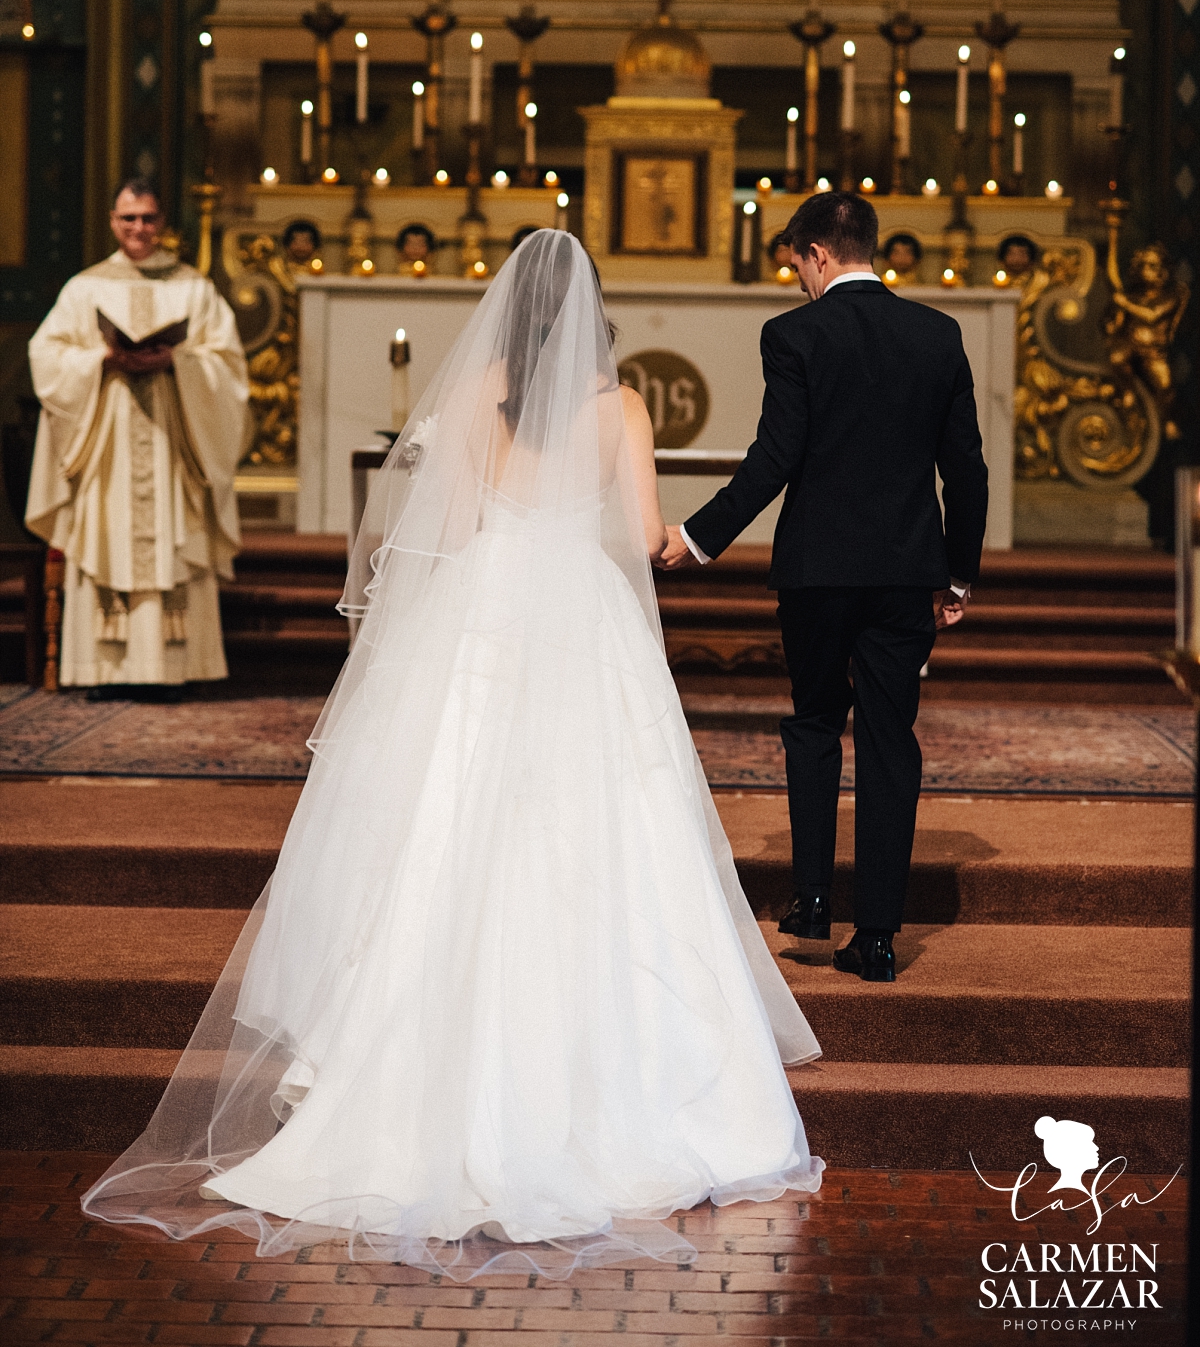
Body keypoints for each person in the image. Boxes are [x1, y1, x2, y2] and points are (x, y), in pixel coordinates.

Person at [82, 230, 823, 1275]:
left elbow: (458, 522)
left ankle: (400, 1088)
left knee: (450, 825)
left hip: (485, 610)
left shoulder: (478, 394)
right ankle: (625, 1098)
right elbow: (645, 530)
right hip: (582, 611)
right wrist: (641, 543)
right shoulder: (624, 405)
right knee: (606, 833)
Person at [659, 192, 988, 984]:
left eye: (795, 264)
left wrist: (696, 538)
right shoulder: (938, 335)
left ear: (816, 254)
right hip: (908, 571)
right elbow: (966, 469)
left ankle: (810, 900)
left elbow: (777, 458)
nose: (797, 280)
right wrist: (957, 573)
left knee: (813, 724)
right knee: (888, 739)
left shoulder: (793, 334)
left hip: (817, 573)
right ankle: (876, 936)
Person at [25, 179, 250, 691]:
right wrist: (102, 357)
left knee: (174, 538)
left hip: (173, 436)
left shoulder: (193, 288)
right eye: (129, 218)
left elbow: (228, 364)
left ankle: (176, 670)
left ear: (162, 223)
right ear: (112, 221)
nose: (139, 229)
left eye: (148, 218)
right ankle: (102, 671)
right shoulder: (86, 288)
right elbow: (47, 356)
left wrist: (180, 360)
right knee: (108, 534)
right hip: (110, 441)